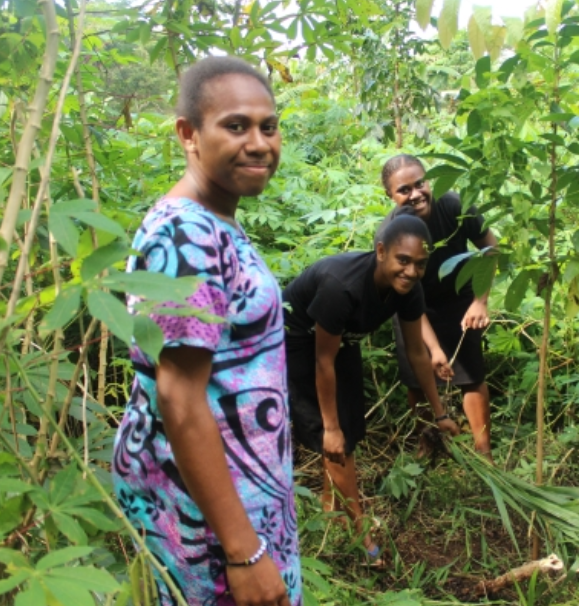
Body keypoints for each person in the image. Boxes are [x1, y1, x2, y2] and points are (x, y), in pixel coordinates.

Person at [112, 56, 299, 606]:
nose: (261, 143)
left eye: (269, 125)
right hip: (206, 521)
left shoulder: (216, 219)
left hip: (237, 502)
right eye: (236, 126)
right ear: (188, 135)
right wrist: (244, 551)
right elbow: (178, 394)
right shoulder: (185, 234)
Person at [283, 213, 460, 565]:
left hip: (341, 342)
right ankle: (360, 531)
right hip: (297, 341)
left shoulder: (409, 290)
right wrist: (330, 428)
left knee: (351, 428)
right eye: (403, 260)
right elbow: (322, 363)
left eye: (420, 264)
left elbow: (416, 353)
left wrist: (439, 413)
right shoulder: (341, 286)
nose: (411, 271)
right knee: (335, 438)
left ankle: (330, 504)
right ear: (381, 251)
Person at [377, 154, 498, 460]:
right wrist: (434, 349)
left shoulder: (454, 206)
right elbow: (406, 297)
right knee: (417, 379)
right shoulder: (390, 233)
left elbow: (490, 247)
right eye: (404, 190)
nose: (416, 194)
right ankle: (428, 444)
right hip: (411, 304)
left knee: (471, 375)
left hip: (459, 296)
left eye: (421, 183)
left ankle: (484, 452)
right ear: (390, 196)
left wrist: (480, 302)